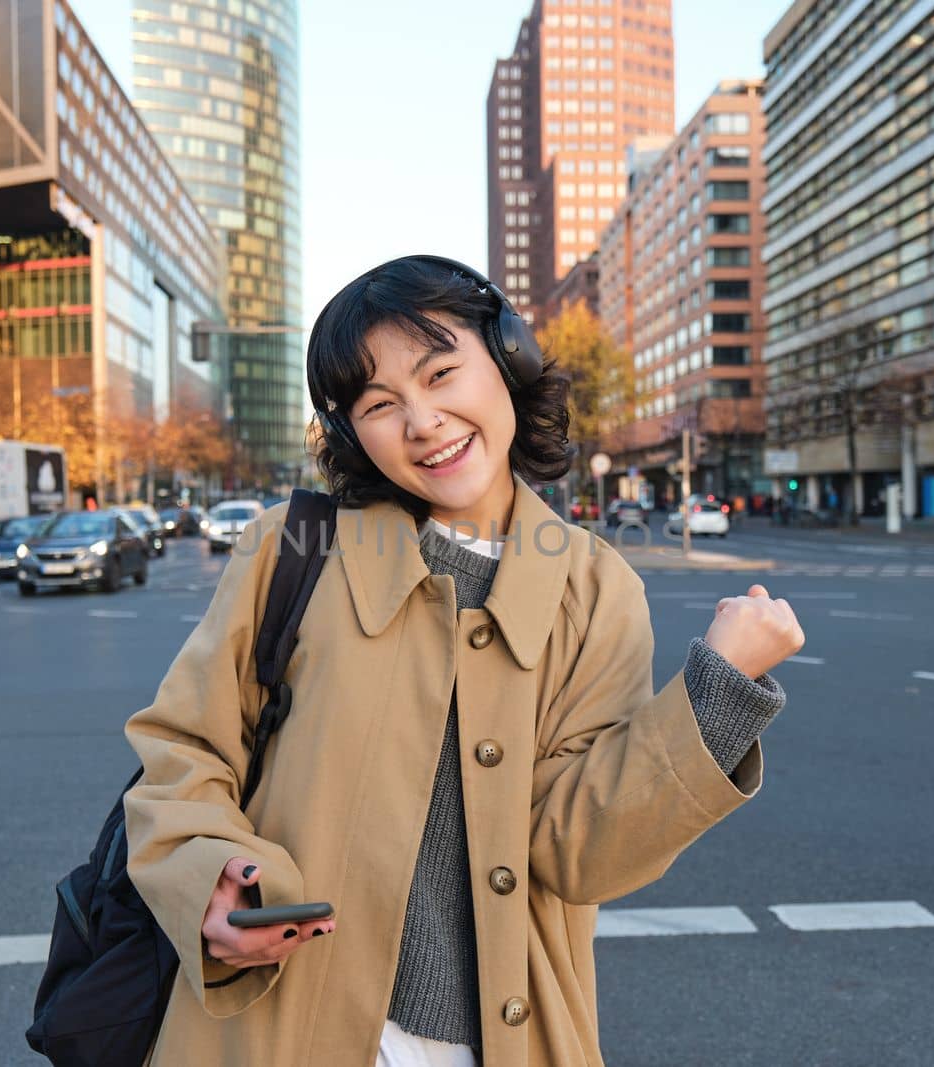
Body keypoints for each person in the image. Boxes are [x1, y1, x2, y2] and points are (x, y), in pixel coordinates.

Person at [122, 256, 805, 1066]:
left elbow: (579, 848)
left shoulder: (594, 588)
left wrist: (715, 695)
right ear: (350, 433)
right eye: (380, 404)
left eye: (442, 372)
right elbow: (182, 753)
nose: (423, 421)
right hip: (280, 1027)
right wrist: (214, 878)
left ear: (506, 362)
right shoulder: (293, 549)